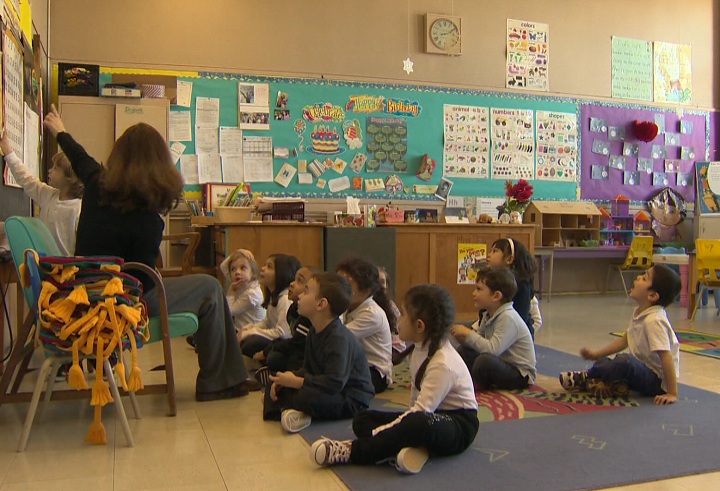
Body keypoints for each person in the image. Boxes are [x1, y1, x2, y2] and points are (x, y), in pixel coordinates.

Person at [43, 105, 258, 401]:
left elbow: (80, 158)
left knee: (204, 288)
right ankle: (218, 380)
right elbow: (141, 280)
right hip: (124, 304)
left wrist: (60, 130)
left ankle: (225, 376)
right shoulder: (148, 219)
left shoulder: (95, 184)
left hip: (86, 296)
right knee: (209, 287)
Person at [310, 284, 479, 475]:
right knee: (363, 420)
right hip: (428, 416)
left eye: (403, 314)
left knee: (416, 424)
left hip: (458, 424)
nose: (398, 319)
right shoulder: (418, 349)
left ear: (419, 326)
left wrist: (380, 435)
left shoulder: (442, 363)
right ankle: (412, 447)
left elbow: (421, 413)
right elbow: (415, 401)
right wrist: (394, 431)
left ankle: (351, 451)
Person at [263, 272, 374, 433]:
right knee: (274, 384)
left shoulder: (338, 337)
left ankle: (292, 409)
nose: (300, 296)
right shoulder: (313, 332)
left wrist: (298, 382)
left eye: (306, 291)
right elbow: (308, 369)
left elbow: (335, 382)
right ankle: (292, 410)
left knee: (306, 397)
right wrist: (288, 378)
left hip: (350, 397)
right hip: (327, 388)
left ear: (321, 304)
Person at [560, 265, 682, 404]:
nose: (638, 278)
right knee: (606, 361)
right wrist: (596, 355)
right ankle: (610, 383)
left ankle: (588, 377)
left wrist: (672, 392)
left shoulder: (654, 320)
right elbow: (625, 340)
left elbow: (666, 357)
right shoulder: (640, 312)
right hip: (642, 371)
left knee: (625, 362)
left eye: (644, 278)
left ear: (652, 295)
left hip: (656, 382)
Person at [451, 267, 536, 390]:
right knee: (466, 351)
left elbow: (492, 350)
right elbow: (479, 341)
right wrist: (463, 338)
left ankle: (480, 381)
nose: (474, 293)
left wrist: (469, 334)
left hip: (520, 374)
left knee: (483, 362)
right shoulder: (488, 314)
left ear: (496, 296)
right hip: (502, 362)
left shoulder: (508, 317)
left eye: (479, 289)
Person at [0, 131, 83, 255]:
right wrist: (8, 152)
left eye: (56, 168)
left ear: (70, 177)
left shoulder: (78, 210)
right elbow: (27, 179)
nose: (50, 171)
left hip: (66, 270)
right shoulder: (49, 195)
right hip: (43, 265)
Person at [186, 248, 265, 349]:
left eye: (243, 268)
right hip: (238, 326)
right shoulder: (242, 283)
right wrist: (239, 252)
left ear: (253, 273)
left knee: (218, 318)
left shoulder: (252, 294)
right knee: (212, 315)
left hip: (248, 331)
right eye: (233, 269)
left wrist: (231, 290)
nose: (237, 272)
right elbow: (223, 266)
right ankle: (202, 341)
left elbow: (229, 311)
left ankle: (205, 343)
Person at [336, 257, 394, 394]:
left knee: (333, 384)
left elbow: (338, 337)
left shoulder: (372, 314)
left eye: (347, 284)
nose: (339, 289)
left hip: (374, 373)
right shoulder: (349, 305)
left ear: (366, 290)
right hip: (353, 364)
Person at [254, 266, 314, 385]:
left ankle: (282, 378)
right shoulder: (293, 309)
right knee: (274, 355)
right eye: (294, 279)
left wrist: (267, 350)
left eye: (300, 281)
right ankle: (274, 374)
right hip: (296, 347)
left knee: (282, 357)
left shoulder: (307, 316)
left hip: (305, 355)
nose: (292, 284)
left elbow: (296, 342)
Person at [239, 254, 301, 358]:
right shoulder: (275, 297)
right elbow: (267, 322)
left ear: (281, 273)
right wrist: (249, 328)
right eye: (264, 265)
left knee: (252, 342)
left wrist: (252, 332)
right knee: (247, 337)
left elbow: (283, 333)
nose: (262, 269)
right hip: (276, 338)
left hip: (284, 344)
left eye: (269, 267)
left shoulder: (285, 299)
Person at [486, 237, 537, 337]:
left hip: (513, 337)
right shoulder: (494, 281)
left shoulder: (522, 286)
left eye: (495, 251)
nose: (489, 255)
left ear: (509, 259)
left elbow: (521, 319)